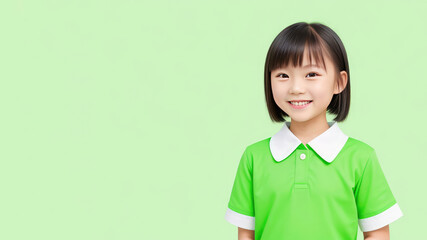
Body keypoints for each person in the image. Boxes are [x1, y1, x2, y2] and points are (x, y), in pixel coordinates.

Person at [224, 22, 403, 240]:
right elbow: (246, 235)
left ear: (339, 82)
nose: (296, 88)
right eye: (282, 75)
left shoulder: (361, 158)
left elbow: (377, 234)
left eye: (311, 74)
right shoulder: (254, 158)